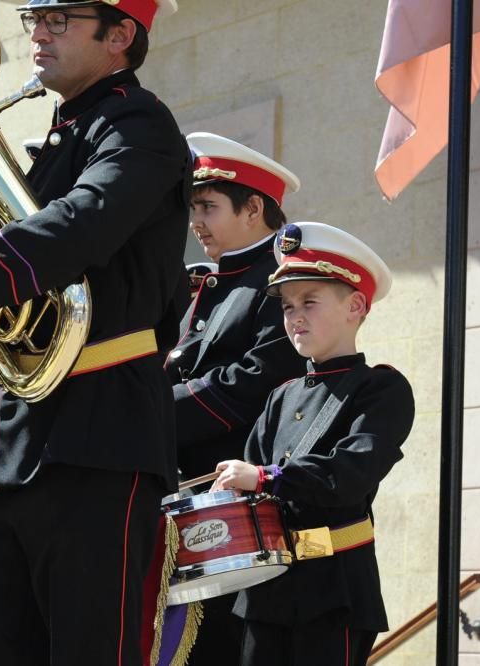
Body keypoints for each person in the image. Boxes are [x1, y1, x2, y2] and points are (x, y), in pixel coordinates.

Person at [0, 1, 191, 663]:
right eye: (35, 16)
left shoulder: (139, 124)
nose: (37, 31)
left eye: (60, 19)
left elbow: (87, 219)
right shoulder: (56, 140)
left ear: (120, 34)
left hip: (95, 439)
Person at [212, 222, 415, 666]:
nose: (294, 317)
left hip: (334, 590)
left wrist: (265, 477)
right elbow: (249, 484)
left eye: (309, 302)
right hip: (267, 591)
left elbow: (349, 473)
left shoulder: (380, 389)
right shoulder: (281, 396)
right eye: (287, 307)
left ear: (355, 306)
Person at [164, 132, 307, 663]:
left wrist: (148, 414)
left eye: (208, 206)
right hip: (186, 502)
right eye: (193, 207)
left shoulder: (280, 282)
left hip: (239, 512)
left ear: (253, 209)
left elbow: (250, 384)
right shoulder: (203, 283)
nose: (196, 221)